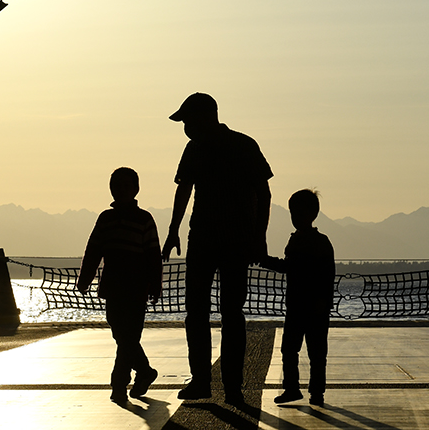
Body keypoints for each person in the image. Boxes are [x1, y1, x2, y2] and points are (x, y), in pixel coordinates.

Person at [161, 92, 272, 405]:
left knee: (213, 313)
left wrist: (258, 236)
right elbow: (185, 189)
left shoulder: (239, 145)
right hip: (213, 239)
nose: (184, 128)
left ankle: (220, 384)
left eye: (186, 121)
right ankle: (215, 384)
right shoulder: (217, 146)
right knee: (216, 313)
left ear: (203, 117)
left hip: (223, 240)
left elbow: (263, 193)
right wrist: (172, 231)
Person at [77, 167, 162, 404]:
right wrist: (85, 279)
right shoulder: (105, 219)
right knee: (122, 335)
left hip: (136, 290)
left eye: (127, 186)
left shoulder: (145, 220)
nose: (122, 190)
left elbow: (154, 256)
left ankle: (119, 384)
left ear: (136, 189)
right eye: (118, 186)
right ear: (112, 190)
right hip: (113, 288)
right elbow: (93, 251)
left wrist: (155, 286)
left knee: (128, 337)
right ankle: (144, 372)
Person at [261, 189, 335, 408]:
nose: (293, 217)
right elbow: (328, 276)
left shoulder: (301, 242)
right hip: (310, 308)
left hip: (302, 306)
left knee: (296, 350)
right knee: (314, 352)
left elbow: (289, 267)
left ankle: (296, 388)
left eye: (295, 212)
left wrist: (265, 260)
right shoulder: (320, 242)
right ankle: (313, 392)